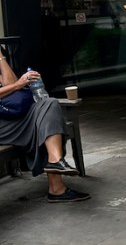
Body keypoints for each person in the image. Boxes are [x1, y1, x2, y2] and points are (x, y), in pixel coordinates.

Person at [0, 51, 89, 202]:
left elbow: (11, 84)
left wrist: (0, 57)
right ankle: (57, 188)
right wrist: (17, 85)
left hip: (13, 116)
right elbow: (15, 86)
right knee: (42, 125)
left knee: (49, 105)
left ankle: (55, 162)